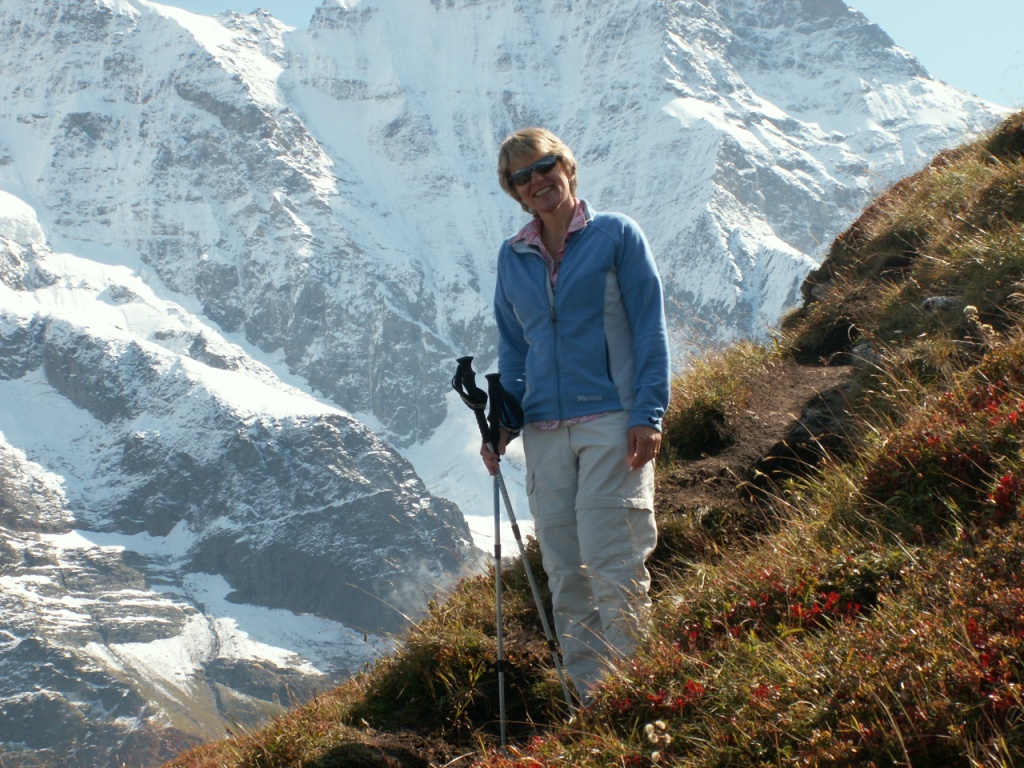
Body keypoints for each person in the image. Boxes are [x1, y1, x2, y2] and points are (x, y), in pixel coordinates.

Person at [482, 127, 671, 703]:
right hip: (543, 431)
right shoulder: (513, 256)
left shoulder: (615, 235)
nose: (536, 180)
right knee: (566, 574)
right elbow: (516, 349)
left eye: (543, 166)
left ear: (566, 166)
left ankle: (635, 697)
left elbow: (649, 327)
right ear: (514, 191)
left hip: (612, 420)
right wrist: (502, 425)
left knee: (614, 561)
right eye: (521, 176)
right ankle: (590, 703)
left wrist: (649, 413)